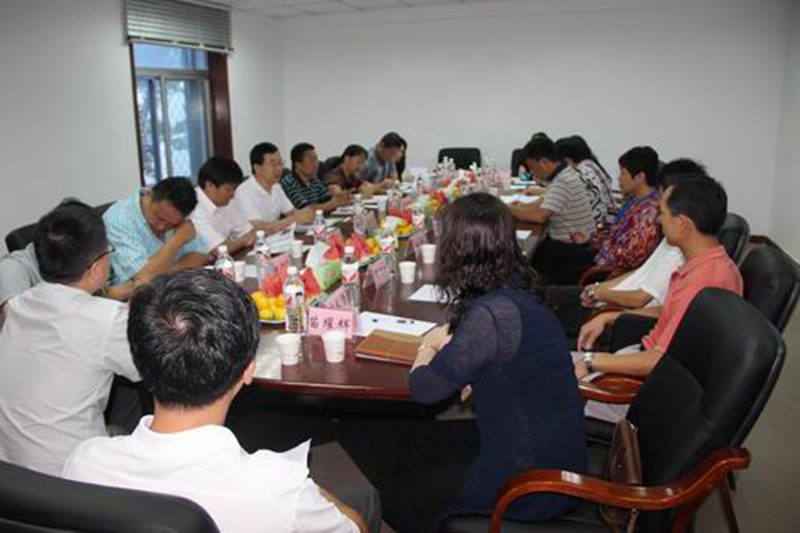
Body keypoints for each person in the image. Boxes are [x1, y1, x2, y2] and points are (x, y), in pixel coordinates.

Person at [343, 194, 587, 532]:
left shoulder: (491, 315)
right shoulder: (516, 288)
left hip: (527, 476)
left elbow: (424, 389)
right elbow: (510, 359)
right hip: (541, 444)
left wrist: (428, 347)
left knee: (397, 495)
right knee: (406, 437)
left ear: (459, 250)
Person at [63, 269, 366, 533]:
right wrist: (301, 484)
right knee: (365, 500)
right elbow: (356, 527)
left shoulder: (84, 462)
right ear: (249, 370)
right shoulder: (279, 489)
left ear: (139, 361)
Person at [575, 175, 743, 422]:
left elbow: (658, 360)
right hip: (640, 361)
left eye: (662, 213)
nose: (658, 220)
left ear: (683, 224)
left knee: (541, 387)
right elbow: (671, 314)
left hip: (644, 390)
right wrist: (612, 316)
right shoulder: (704, 265)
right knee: (548, 365)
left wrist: (592, 361)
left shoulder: (705, 282)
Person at [0, 201, 140, 475]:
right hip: (71, 477)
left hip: (10, 473)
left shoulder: (17, 306)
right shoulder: (106, 319)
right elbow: (160, 368)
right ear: (96, 266)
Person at [550, 159, 706, 338]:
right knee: (546, 295)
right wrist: (598, 288)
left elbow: (641, 299)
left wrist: (600, 293)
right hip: (612, 294)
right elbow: (641, 272)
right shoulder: (670, 239)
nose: (658, 217)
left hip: (618, 309)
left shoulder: (680, 250)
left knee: (547, 308)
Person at [508, 136, 596, 284]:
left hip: (574, 247)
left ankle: (531, 290)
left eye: (533, 168)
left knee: (523, 256)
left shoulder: (563, 180)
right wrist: (519, 207)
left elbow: (539, 216)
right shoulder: (565, 174)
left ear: (543, 162)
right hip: (577, 242)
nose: (533, 173)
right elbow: (544, 203)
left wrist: (508, 209)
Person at [104, 177, 207, 286]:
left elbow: (201, 255)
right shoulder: (120, 220)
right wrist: (177, 240)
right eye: (158, 217)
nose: (161, 227)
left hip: (171, 287)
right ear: (149, 195)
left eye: (170, 224)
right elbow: (143, 278)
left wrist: (164, 272)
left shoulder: (178, 217)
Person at [235, 142, 315, 232]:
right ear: (257, 168)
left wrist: (305, 214)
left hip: (276, 237)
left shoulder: (276, 187)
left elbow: (292, 213)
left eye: (280, 163)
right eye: (273, 164)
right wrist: (293, 219)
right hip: (254, 240)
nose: (278, 168)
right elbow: (259, 228)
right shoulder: (244, 192)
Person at [190, 156, 256, 254]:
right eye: (228, 189)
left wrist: (235, 242)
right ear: (209, 185)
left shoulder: (226, 201)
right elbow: (218, 250)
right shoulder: (194, 207)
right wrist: (242, 240)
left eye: (234, 189)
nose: (233, 195)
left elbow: (249, 231)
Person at [555, 136, 617, 226]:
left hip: (603, 224)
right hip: (609, 219)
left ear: (567, 159)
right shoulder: (590, 165)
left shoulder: (584, 173)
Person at [280, 143, 343, 211]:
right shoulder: (289, 183)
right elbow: (305, 209)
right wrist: (333, 203)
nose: (316, 164)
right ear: (298, 164)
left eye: (316, 159)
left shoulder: (315, 181)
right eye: (312, 160)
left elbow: (327, 200)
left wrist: (340, 198)